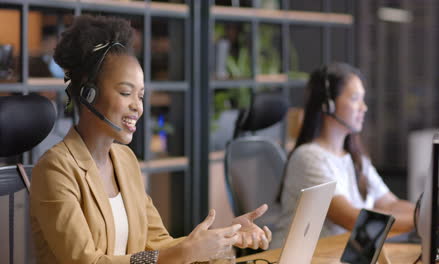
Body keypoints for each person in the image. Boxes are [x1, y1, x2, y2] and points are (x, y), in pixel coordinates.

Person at [29, 15, 271, 264]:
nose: (138, 107)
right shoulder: (55, 169)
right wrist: (183, 253)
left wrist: (225, 238)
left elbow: (160, 245)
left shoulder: (125, 160)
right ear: (88, 93)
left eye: (141, 96)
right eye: (126, 93)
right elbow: (87, 262)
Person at [271, 62, 414, 249]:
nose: (364, 108)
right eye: (355, 98)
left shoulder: (356, 159)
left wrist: (432, 214)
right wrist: (420, 222)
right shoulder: (308, 158)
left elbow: (390, 203)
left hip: (339, 255)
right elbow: (351, 218)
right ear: (328, 105)